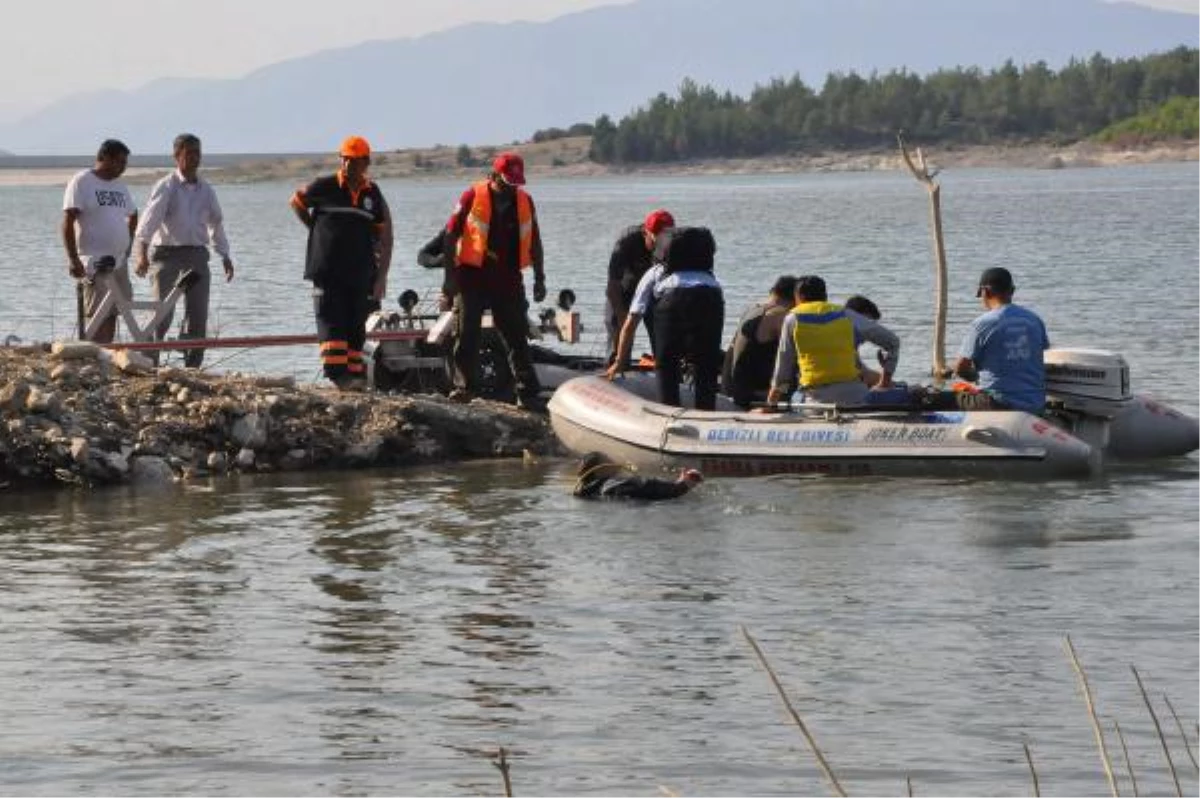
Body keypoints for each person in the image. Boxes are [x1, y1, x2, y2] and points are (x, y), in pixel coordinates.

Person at [444, 152, 547, 409]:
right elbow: (449, 235)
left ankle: (528, 392)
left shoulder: (525, 201)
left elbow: (534, 240)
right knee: (466, 333)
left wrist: (540, 278)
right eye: (509, 181)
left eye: (517, 182)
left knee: (516, 335)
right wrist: (449, 278)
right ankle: (464, 389)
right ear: (496, 175)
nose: (513, 187)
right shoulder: (471, 196)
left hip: (507, 278)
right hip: (472, 276)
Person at [290, 135, 394, 390]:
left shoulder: (372, 193)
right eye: (344, 159)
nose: (348, 165)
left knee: (355, 325)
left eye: (354, 161)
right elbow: (297, 202)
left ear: (366, 162)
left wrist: (380, 277)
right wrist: (315, 230)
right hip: (328, 269)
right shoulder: (324, 186)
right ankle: (338, 374)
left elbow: (381, 234)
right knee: (331, 320)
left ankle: (354, 376)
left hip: (360, 271)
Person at [134, 133, 234, 368]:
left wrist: (225, 255)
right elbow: (146, 225)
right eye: (189, 153)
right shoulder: (165, 186)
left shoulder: (206, 190)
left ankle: (192, 367)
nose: (194, 158)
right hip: (167, 255)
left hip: (197, 255)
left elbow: (216, 224)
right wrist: (141, 255)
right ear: (177, 156)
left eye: (198, 153)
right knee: (161, 313)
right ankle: (149, 363)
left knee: (198, 315)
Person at [607, 226, 724, 410]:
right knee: (706, 365)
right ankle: (706, 414)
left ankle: (668, 413)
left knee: (666, 364)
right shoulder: (710, 277)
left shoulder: (656, 272)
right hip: (711, 299)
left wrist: (620, 362)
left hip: (672, 300)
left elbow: (632, 321)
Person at [764, 275, 901, 407]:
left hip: (815, 401)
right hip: (857, 396)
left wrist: (771, 404)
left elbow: (783, 370)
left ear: (799, 298)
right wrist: (885, 381)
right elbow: (893, 342)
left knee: (794, 397)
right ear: (825, 297)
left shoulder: (792, 319)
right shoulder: (847, 315)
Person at [935, 267, 1050, 412]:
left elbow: (961, 368)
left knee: (935, 398)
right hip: (1035, 403)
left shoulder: (983, 324)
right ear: (1012, 290)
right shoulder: (1034, 320)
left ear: (985, 292)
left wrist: (974, 377)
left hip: (998, 402)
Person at [61, 139, 138, 344]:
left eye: (124, 163)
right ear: (103, 158)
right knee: (97, 313)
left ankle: (107, 355)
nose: (122, 167)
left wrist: (127, 245)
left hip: (119, 262)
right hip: (95, 261)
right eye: (119, 162)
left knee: (115, 311)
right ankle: (93, 356)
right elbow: (68, 221)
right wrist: (73, 259)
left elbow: (133, 214)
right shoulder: (82, 181)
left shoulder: (120, 186)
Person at [605, 209, 675, 363]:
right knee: (620, 335)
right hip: (623, 293)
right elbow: (612, 286)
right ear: (646, 233)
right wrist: (623, 318)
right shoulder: (627, 241)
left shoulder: (674, 243)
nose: (662, 245)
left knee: (663, 337)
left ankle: (665, 370)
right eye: (657, 240)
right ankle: (615, 366)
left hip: (654, 294)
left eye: (667, 239)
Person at [721, 275, 797, 409]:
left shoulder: (753, 309)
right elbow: (794, 353)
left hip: (730, 387)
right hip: (753, 394)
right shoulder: (779, 315)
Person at [573, 451, 704, 501]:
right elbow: (644, 485)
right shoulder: (608, 484)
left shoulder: (590, 491)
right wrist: (681, 486)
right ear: (598, 470)